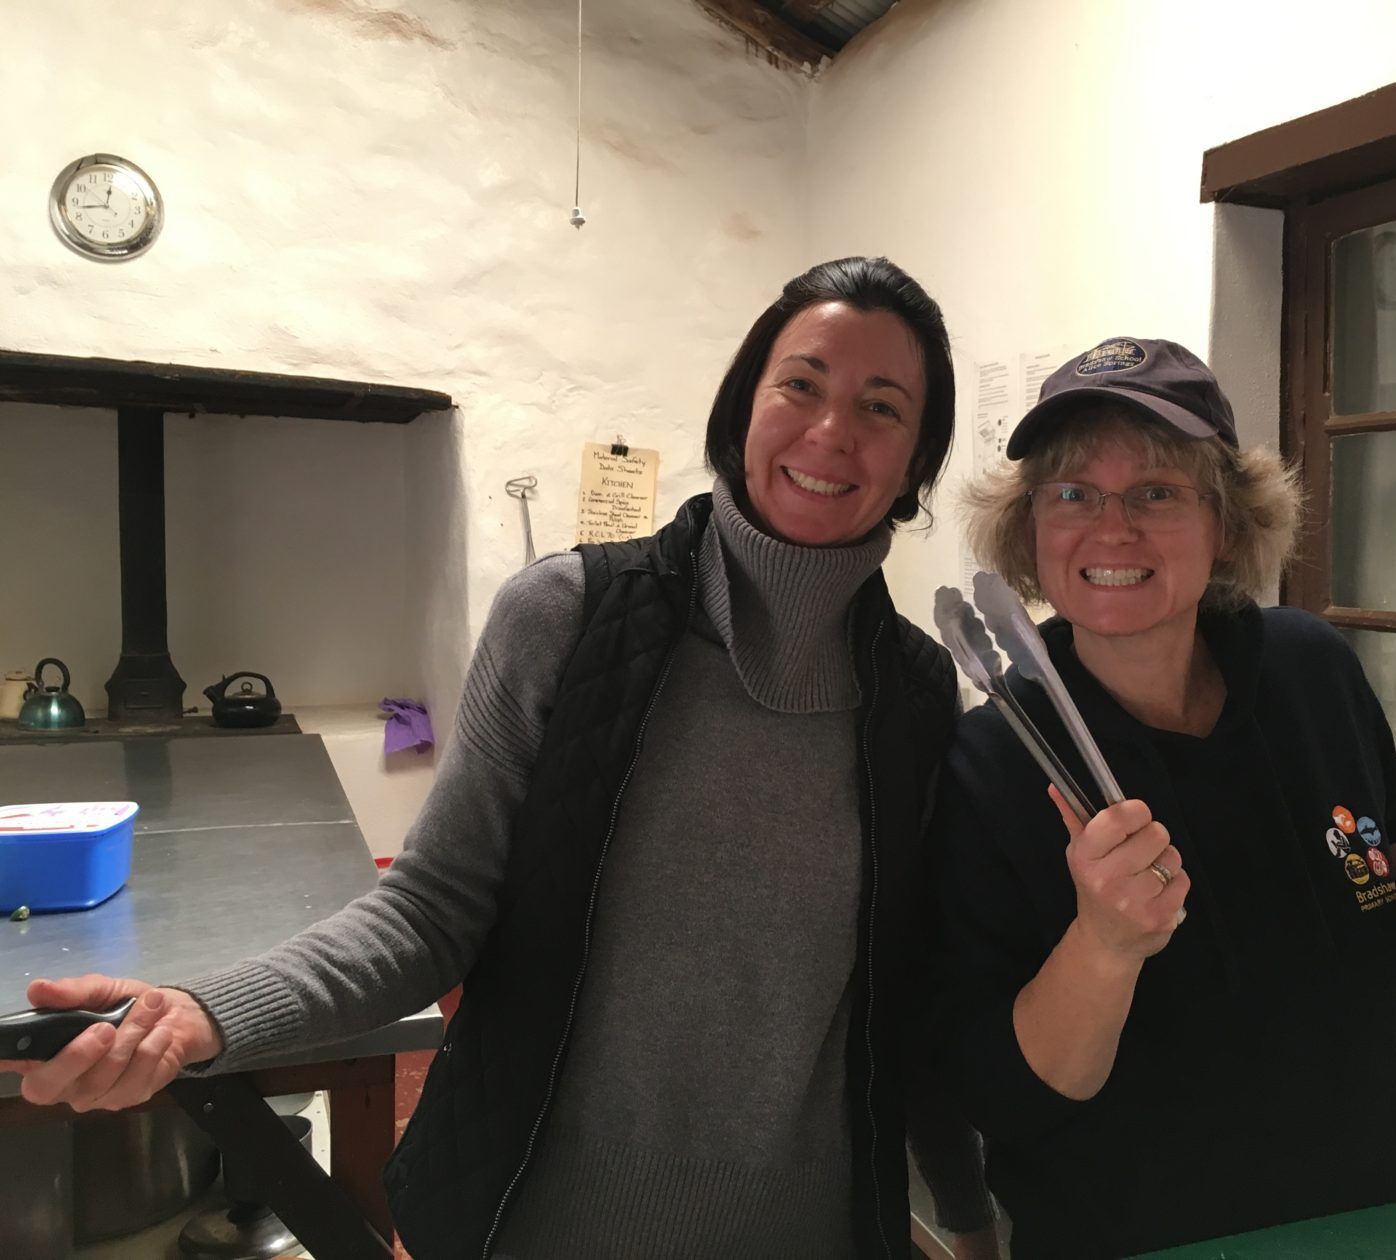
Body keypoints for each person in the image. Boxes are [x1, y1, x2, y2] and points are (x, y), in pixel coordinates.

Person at [3, 257, 995, 1260]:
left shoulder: (915, 691)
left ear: (916, 463)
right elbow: (431, 909)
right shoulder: (568, 616)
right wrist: (203, 1014)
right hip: (542, 1223)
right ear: (743, 405)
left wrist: (963, 1212)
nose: (832, 432)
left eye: (883, 407)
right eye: (802, 384)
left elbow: (904, 990)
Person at [923, 337, 1396, 1258]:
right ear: (1029, 528)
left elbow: (1386, 844)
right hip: (1143, 1233)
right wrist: (1105, 945)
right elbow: (1012, 1095)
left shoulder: (1310, 668)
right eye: (1072, 494)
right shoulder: (990, 761)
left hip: (1393, 1202)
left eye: (1157, 492)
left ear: (1228, 524)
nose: (1112, 529)